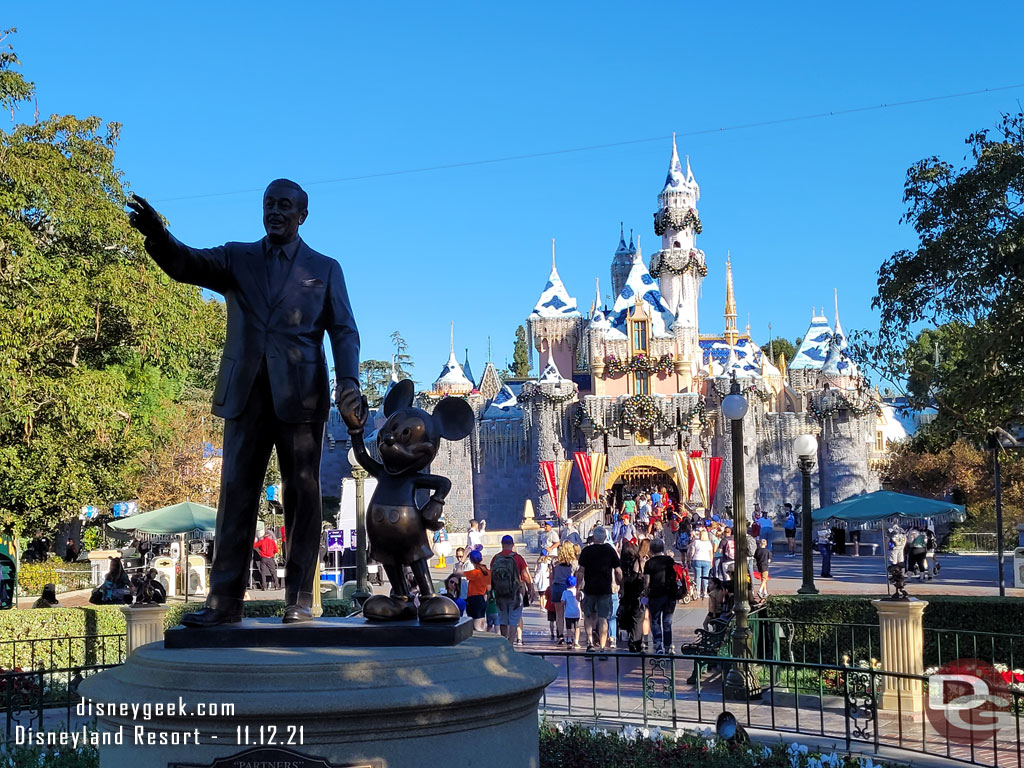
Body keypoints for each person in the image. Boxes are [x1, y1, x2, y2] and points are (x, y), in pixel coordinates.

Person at [128, 182, 360, 627]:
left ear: (302, 215)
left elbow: (344, 330)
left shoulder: (325, 269)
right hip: (246, 393)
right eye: (269, 204)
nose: (275, 212)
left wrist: (348, 381)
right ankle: (223, 601)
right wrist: (158, 236)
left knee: (303, 495)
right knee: (236, 493)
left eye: (284, 206)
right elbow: (187, 263)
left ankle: (300, 599)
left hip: (303, 396)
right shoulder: (238, 257)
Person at [576, 526, 621, 652]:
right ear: (605, 538)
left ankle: (590, 643)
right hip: (605, 589)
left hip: (589, 588)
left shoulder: (586, 551)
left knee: (588, 617)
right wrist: (620, 585)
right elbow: (618, 571)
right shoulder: (610, 551)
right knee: (603, 618)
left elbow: (580, 572)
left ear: (594, 537)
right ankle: (602, 647)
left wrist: (578, 588)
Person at [489, 535, 536, 644]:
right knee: (514, 620)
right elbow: (524, 575)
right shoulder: (517, 558)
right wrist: (530, 589)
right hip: (515, 593)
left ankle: (504, 643)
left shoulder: (496, 558)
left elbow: (491, 576)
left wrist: (491, 593)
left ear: (502, 544)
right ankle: (510, 644)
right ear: (512, 544)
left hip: (499, 594)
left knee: (503, 620)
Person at [643, 538, 678, 654]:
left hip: (655, 595)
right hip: (669, 594)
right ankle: (668, 646)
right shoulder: (669, 561)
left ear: (651, 549)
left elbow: (646, 582)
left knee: (655, 620)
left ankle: (658, 645)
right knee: (667, 621)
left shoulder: (649, 563)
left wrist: (646, 593)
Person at [615, 540, 645, 652]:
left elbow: (618, 577)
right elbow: (641, 575)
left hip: (626, 592)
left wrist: (621, 587)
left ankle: (630, 637)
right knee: (637, 617)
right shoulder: (638, 561)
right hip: (637, 591)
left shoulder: (621, 563)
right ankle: (636, 641)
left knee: (627, 614)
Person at [550, 543, 576, 645]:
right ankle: (570, 635)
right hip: (569, 587)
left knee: (559, 614)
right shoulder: (574, 562)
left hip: (557, 587)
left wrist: (551, 587)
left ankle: (560, 635)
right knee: (570, 612)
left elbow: (552, 575)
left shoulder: (555, 561)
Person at [464, 550, 490, 631]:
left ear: (471, 560)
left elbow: (457, 573)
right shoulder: (487, 572)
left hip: (473, 599)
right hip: (482, 598)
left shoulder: (475, 573)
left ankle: (479, 640)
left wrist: (462, 561)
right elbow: (489, 588)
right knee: (482, 622)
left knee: (477, 625)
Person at [689, 528, 714, 598]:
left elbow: (692, 552)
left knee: (697, 576)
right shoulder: (708, 543)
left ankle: (697, 592)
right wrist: (711, 561)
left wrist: (690, 559)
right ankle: (705, 592)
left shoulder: (696, 542)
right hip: (706, 560)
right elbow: (711, 554)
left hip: (697, 559)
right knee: (705, 577)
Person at [561, 575, 582, 648]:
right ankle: (576, 642)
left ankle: (569, 641)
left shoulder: (565, 592)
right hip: (576, 612)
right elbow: (581, 600)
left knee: (569, 628)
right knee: (577, 628)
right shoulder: (578, 592)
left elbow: (562, 602)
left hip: (568, 613)